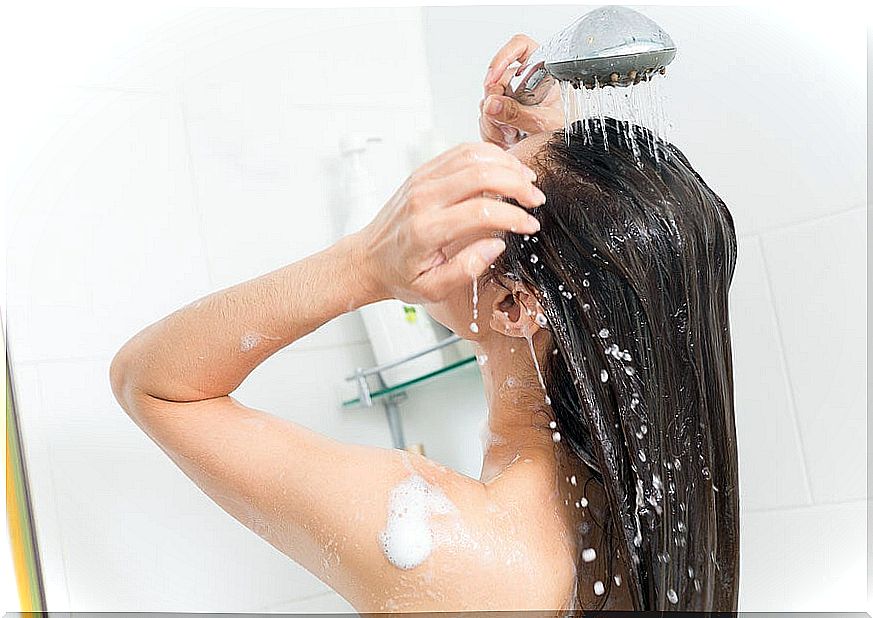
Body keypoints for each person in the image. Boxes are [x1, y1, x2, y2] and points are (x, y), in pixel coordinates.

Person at [110, 35, 739, 613]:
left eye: (479, 203)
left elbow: (153, 383)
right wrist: (558, 178)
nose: (446, 213)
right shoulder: (653, 522)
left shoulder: (446, 544)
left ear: (515, 308)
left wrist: (364, 263)